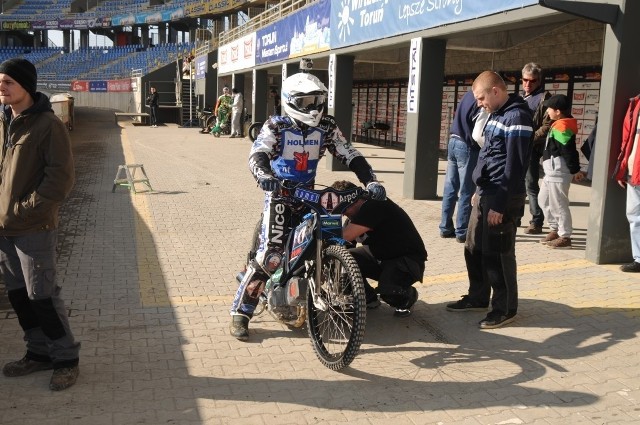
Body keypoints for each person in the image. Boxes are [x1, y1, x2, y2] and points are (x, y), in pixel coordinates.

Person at [229, 72, 386, 340]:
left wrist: (371, 180)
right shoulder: (276, 126)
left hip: (311, 197)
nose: (313, 108)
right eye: (305, 102)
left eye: (316, 100)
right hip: (280, 196)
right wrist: (265, 177)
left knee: (329, 243)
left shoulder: (326, 126)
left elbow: (349, 153)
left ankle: (340, 295)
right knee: (271, 256)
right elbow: (258, 153)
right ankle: (241, 312)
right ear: (290, 101)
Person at [0, 58, 80, 390]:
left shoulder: (48, 125)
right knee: (19, 296)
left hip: (33, 227)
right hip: (5, 229)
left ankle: (66, 359)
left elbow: (60, 179)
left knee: (42, 296)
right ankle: (38, 353)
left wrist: (24, 210)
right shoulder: (5, 121)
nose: (1, 87)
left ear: (26, 86)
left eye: (8, 82)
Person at [446, 71, 533, 329]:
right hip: (485, 192)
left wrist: (499, 204)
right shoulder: (495, 114)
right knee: (474, 247)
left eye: (482, 98)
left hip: (502, 196)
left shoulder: (517, 117)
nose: (479, 103)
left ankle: (505, 308)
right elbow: (487, 154)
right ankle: (478, 297)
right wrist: (478, 189)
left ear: (496, 91)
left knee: (499, 254)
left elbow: (514, 167)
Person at [333, 180, 426, 317]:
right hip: (379, 256)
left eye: (343, 208)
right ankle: (367, 297)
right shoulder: (354, 216)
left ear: (356, 200)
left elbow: (345, 236)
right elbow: (340, 247)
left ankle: (408, 296)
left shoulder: (374, 207)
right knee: (341, 260)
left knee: (390, 293)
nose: (342, 214)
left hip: (406, 260)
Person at [538, 94, 585, 249]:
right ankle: (555, 229)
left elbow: (568, 151)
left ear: (558, 111)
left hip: (558, 171)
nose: (547, 111)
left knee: (559, 204)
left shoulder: (562, 126)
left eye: (550, 108)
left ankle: (565, 236)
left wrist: (575, 170)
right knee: (543, 200)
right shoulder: (558, 123)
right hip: (550, 172)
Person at [439, 90, 481, 243]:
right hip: (467, 146)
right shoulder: (480, 99)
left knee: (450, 187)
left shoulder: (467, 95)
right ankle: (462, 231)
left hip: (453, 141)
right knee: (466, 189)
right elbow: (478, 132)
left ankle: (445, 227)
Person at [521, 62, 552, 235]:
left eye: (532, 81)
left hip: (531, 148)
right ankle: (516, 216)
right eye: (525, 80)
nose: (528, 84)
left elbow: (547, 125)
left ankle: (537, 221)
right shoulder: (521, 97)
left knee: (531, 185)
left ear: (539, 81)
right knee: (516, 182)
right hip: (517, 147)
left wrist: (530, 139)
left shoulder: (544, 98)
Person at [615, 94, 640, 272]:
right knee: (634, 216)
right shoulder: (634, 104)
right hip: (633, 171)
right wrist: (622, 168)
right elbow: (627, 140)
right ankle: (639, 259)